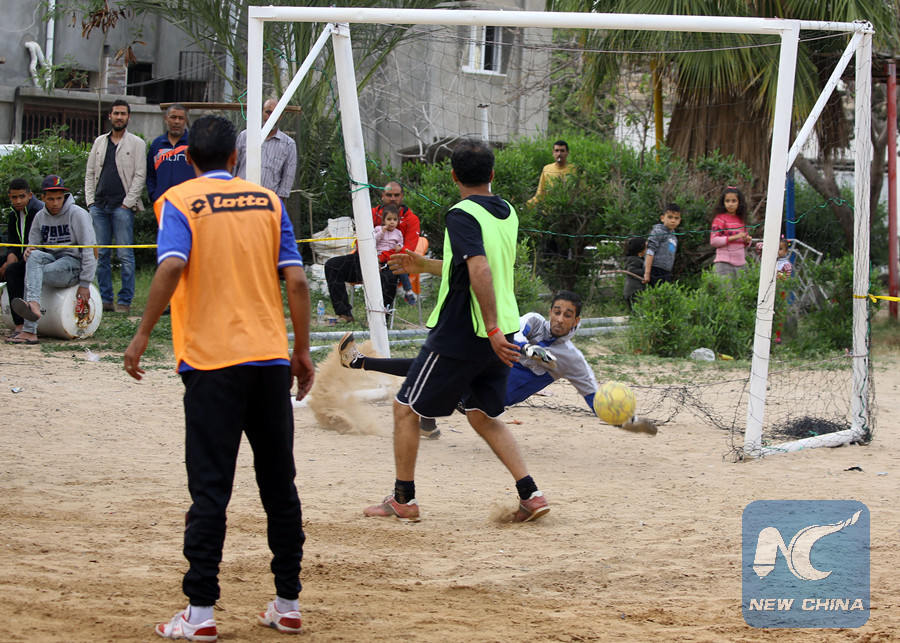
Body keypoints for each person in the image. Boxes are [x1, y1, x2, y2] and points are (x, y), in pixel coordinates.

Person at [123, 115, 314, 640]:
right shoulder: (268, 202)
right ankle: (288, 603)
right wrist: (300, 350)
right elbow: (297, 281)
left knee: (210, 490)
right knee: (279, 486)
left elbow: (170, 266)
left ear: (188, 158)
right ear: (235, 157)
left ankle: (201, 612)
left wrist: (142, 333)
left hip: (210, 364)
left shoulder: (180, 200)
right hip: (269, 361)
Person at [362, 139, 550, 524]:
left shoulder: (461, 213)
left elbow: (479, 268)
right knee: (482, 415)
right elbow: (466, 265)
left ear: (453, 176)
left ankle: (404, 500)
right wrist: (424, 264)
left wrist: (490, 328)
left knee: (404, 407)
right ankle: (531, 495)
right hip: (504, 331)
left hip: (466, 331)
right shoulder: (507, 211)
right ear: (492, 174)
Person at [338, 291, 657, 436]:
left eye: (568, 315)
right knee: (433, 364)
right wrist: (530, 350)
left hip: (488, 397)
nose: (560, 318)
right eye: (557, 311)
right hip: (483, 372)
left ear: (577, 321)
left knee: (435, 369)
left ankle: (424, 415)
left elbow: (594, 398)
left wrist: (626, 422)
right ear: (550, 312)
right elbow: (511, 334)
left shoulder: (572, 360)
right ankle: (362, 364)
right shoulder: (534, 321)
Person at [9, 176, 96, 346]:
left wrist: (85, 283)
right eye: (50, 199)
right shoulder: (40, 216)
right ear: (42, 198)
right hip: (51, 259)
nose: (55, 203)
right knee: (33, 257)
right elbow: (34, 246)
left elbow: (90, 250)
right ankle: (33, 308)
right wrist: (28, 251)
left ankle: (29, 328)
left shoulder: (78, 214)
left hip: (73, 264)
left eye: (59, 198)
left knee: (33, 274)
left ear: (64, 197)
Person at [324, 181, 420, 323]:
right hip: (367, 260)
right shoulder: (371, 214)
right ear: (382, 196)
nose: (392, 198)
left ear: (402, 196)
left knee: (389, 277)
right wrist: (371, 258)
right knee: (332, 265)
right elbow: (361, 240)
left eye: (396, 195)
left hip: (394, 263)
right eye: (389, 195)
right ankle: (345, 315)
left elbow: (408, 249)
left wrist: (381, 258)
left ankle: (380, 319)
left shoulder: (411, 219)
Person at [85, 98, 147, 314]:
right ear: (109, 116)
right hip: (99, 206)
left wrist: (127, 203)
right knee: (101, 254)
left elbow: (140, 175)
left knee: (125, 255)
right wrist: (90, 201)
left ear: (128, 117)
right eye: (116, 113)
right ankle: (105, 299)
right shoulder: (99, 142)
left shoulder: (137, 143)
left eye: (123, 113)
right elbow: (90, 173)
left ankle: (125, 301)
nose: (119, 117)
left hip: (122, 208)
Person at [1, 178, 43, 339]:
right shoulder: (13, 215)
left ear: (30, 195)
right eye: (14, 197)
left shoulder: (39, 211)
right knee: (9, 264)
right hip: (19, 254)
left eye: (22, 196)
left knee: (12, 270)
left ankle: (19, 324)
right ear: (9, 197)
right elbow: (12, 241)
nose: (18, 201)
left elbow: (40, 243)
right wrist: (11, 254)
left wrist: (14, 259)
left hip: (35, 255)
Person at [233, 99, 298, 201]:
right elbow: (234, 166)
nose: (271, 117)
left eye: (275, 113)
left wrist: (276, 204)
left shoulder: (288, 144)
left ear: (281, 116)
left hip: (267, 202)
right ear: (262, 113)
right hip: (240, 198)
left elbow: (287, 179)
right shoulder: (245, 136)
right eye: (268, 112)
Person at [146, 103, 194, 203]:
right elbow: (150, 174)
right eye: (173, 117)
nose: (177, 122)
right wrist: (154, 194)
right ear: (166, 119)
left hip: (188, 203)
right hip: (162, 203)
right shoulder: (157, 144)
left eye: (181, 118)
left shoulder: (194, 143)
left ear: (185, 120)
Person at [374, 204, 415, 305]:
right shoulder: (378, 229)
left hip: (391, 257)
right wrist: (382, 232)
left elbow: (400, 242)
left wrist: (399, 246)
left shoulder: (398, 233)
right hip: (379, 256)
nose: (392, 222)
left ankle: (408, 291)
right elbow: (374, 241)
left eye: (395, 219)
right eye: (389, 219)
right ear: (383, 220)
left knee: (400, 268)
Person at [710, 186, 752, 279]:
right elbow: (714, 241)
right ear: (723, 202)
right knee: (725, 288)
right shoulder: (719, 219)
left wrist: (747, 240)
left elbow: (746, 240)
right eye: (727, 201)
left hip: (741, 264)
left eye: (734, 201)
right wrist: (734, 237)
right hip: (724, 264)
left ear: (739, 202)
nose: (730, 204)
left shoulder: (741, 220)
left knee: (740, 288)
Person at [643, 203, 681, 286]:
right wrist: (647, 273)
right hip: (655, 269)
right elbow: (650, 251)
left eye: (676, 218)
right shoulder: (658, 232)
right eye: (670, 217)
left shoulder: (674, 237)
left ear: (679, 220)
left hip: (666, 271)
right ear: (662, 218)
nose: (673, 220)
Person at [527, 140, 575, 205]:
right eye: (556, 151)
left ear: (567, 153)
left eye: (562, 151)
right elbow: (540, 195)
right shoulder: (547, 169)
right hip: (549, 209)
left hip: (569, 208)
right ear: (553, 153)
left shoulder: (575, 169)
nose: (559, 154)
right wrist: (525, 206)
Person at [623, 237, 647, 311]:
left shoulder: (634, 259)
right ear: (640, 254)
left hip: (631, 291)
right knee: (638, 311)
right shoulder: (635, 260)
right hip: (635, 291)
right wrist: (645, 271)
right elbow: (631, 271)